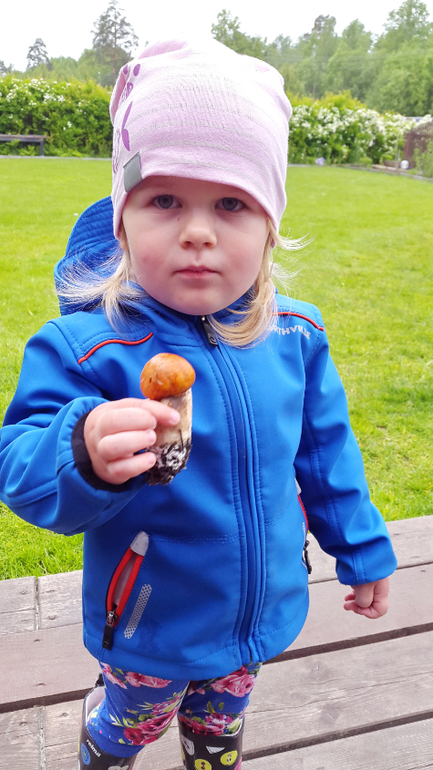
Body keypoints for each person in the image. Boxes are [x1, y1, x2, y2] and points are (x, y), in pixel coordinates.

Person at [0, 38, 397, 770]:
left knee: (220, 721)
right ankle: (104, 739)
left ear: (269, 225)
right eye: (164, 200)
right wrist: (81, 448)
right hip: (150, 621)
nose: (197, 231)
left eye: (231, 203)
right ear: (121, 219)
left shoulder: (295, 335)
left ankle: (209, 748)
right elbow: (20, 466)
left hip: (260, 611)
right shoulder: (87, 347)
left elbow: (327, 456)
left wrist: (362, 548)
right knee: (133, 724)